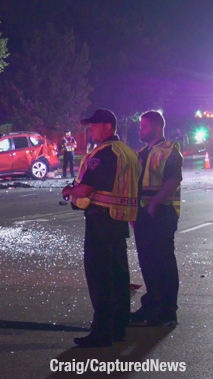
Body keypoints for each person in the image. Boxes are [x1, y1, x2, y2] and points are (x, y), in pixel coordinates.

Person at [62, 109, 140, 347]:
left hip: (101, 221)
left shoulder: (104, 153)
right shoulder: (128, 152)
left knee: (100, 278)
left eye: (93, 125)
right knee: (118, 277)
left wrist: (68, 191)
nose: (90, 129)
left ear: (107, 126)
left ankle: (102, 332)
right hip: (119, 221)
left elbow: (85, 190)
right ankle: (118, 328)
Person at [130, 111, 183, 327]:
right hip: (144, 215)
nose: (140, 130)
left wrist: (155, 203)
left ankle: (167, 311)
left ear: (157, 127)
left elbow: (173, 180)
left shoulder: (170, 150)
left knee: (164, 263)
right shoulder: (143, 152)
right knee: (148, 263)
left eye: (144, 126)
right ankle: (151, 305)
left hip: (161, 214)